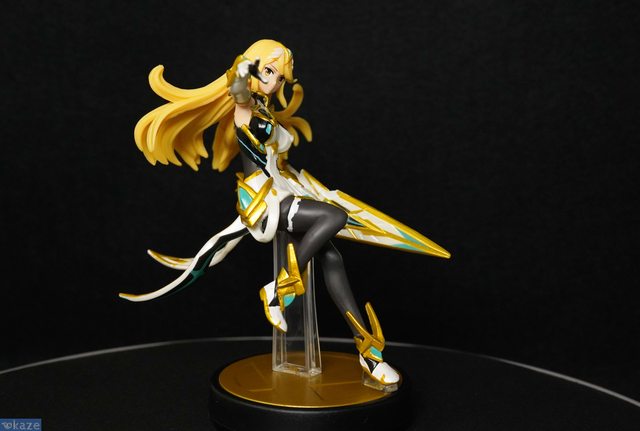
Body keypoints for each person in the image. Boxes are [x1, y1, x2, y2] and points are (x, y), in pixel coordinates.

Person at [120, 39, 450, 388]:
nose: (275, 81)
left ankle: (368, 353)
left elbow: (277, 157)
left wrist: (305, 186)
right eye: (268, 71)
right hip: (266, 204)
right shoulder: (245, 106)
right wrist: (241, 74)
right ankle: (279, 290)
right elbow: (239, 92)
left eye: (279, 77)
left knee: (333, 259)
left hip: (285, 193)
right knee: (333, 217)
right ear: (252, 68)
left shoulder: (265, 109)